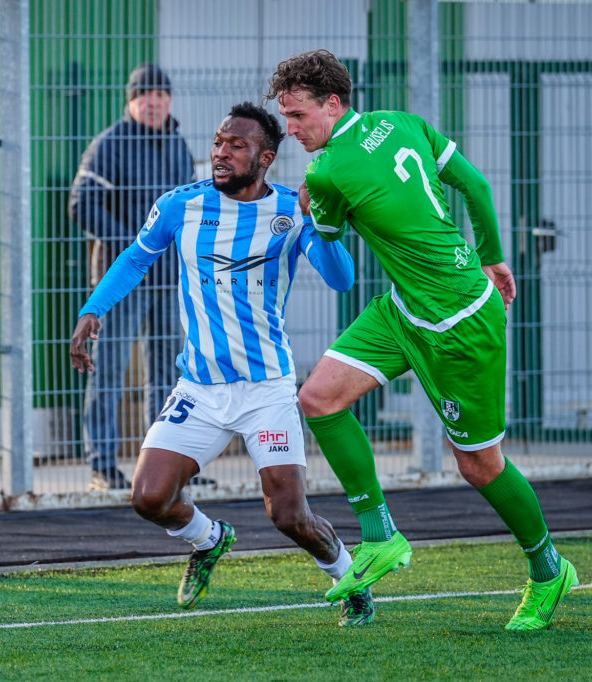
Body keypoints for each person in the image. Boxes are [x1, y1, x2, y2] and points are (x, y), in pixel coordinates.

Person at [267, 49, 577, 631]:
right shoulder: (405, 122)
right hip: (405, 309)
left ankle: (548, 569)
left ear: (333, 104)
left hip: (460, 324)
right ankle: (380, 535)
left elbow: (327, 233)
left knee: (479, 465)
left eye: (298, 115)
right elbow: (476, 185)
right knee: (318, 399)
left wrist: (309, 208)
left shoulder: (326, 171)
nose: (290, 129)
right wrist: (493, 256)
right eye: (284, 117)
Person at [70, 103, 372, 626]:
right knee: (148, 498)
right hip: (201, 387)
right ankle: (209, 540)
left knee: (290, 517)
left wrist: (323, 222)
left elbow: (341, 279)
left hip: (266, 391)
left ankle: (351, 581)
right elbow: (135, 258)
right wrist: (93, 310)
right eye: (217, 142)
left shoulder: (291, 209)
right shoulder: (180, 206)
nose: (221, 153)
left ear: (266, 157)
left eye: (236, 145)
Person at [68, 63, 202, 491]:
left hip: (170, 279)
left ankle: (162, 469)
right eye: (145, 95)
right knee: (109, 370)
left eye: (161, 95)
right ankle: (102, 467)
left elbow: (192, 207)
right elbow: (80, 204)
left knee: (167, 375)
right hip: (122, 280)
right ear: (131, 100)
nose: (154, 102)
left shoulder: (177, 144)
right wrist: (135, 246)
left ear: (170, 100)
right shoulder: (110, 143)